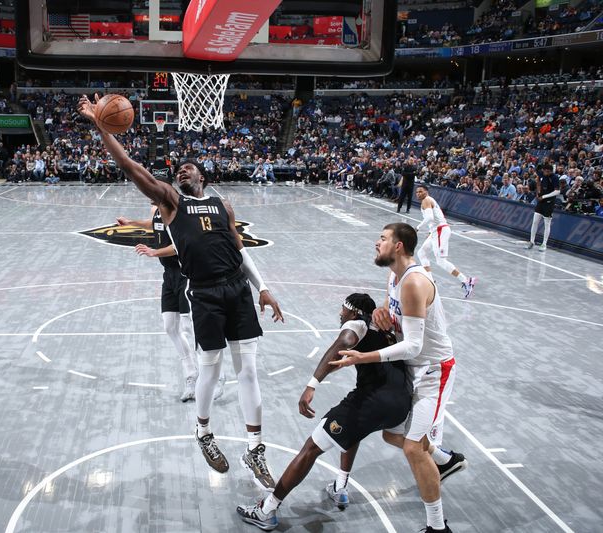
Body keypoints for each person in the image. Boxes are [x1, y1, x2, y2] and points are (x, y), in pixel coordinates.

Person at [78, 94, 284, 489]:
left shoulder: (223, 205)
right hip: (204, 293)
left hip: (238, 289)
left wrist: (266, 289)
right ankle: (204, 432)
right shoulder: (172, 203)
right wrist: (100, 124)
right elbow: (129, 165)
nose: (182, 170)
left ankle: (255, 448)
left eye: (189, 168)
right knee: (211, 367)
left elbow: (240, 253)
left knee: (249, 371)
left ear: (202, 176)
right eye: (179, 169)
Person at [332, 223, 467, 533]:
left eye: (382, 238)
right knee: (391, 434)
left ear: (398, 246)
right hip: (412, 369)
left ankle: (437, 526)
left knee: (412, 448)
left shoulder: (414, 282)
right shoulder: (394, 275)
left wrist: (363, 356)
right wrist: (382, 315)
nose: (376, 242)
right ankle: (445, 461)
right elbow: (394, 317)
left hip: (435, 370)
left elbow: (415, 345)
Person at [236, 293, 411, 531]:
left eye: (343, 309)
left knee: (311, 448)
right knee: (353, 430)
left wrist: (312, 384)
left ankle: (267, 510)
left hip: (374, 401)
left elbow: (343, 343)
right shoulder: (384, 330)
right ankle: (340, 488)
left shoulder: (357, 324)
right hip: (401, 403)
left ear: (354, 312)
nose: (340, 313)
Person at [115, 196, 207, 403]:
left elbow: (179, 246)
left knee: (188, 327)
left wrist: (153, 252)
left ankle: (208, 375)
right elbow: (154, 225)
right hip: (169, 276)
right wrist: (131, 222)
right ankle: (192, 374)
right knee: (169, 327)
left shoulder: (177, 214)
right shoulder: (157, 211)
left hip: (184, 274)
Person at [415, 185, 477, 298]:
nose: (418, 193)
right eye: (417, 192)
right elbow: (434, 218)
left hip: (440, 230)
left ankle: (467, 281)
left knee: (441, 261)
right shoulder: (427, 200)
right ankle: (430, 281)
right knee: (421, 253)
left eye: (421, 191)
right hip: (436, 231)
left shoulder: (426, 200)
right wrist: (430, 232)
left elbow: (429, 218)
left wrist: (417, 228)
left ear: (426, 192)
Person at [526, 162, 560, 251]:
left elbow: (557, 192)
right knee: (535, 221)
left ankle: (544, 244)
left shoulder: (555, 178)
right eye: (545, 171)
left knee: (547, 224)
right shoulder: (541, 173)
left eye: (548, 172)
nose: (546, 173)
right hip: (540, 201)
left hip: (549, 202)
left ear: (551, 171)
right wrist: (538, 192)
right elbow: (538, 179)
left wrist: (544, 196)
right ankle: (531, 241)